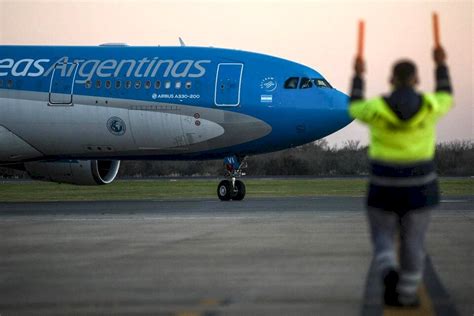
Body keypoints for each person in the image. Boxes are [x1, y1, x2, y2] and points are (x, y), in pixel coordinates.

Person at [349, 47, 453, 307]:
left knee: (383, 238)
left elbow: (354, 106)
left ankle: (389, 273)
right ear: (417, 80)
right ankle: (406, 294)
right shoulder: (430, 106)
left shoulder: (375, 108)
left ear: (391, 80)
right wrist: (440, 65)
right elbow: (446, 95)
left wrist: (358, 75)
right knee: (414, 242)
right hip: (421, 187)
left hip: (384, 185)